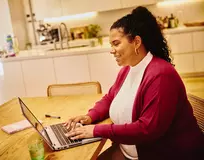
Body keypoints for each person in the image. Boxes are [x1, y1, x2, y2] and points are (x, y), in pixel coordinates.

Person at [64, 6, 204, 160]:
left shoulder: (161, 76)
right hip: (131, 152)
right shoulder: (128, 70)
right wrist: (90, 116)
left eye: (116, 43)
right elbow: (110, 98)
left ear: (136, 42)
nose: (112, 50)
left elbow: (147, 129)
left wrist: (97, 130)